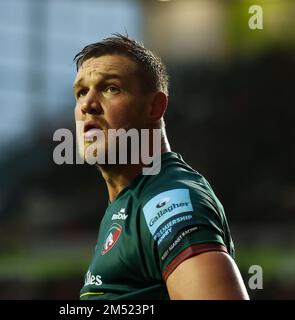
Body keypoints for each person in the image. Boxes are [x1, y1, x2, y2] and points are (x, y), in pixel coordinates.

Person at [72, 34, 249, 300]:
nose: (87, 104)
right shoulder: (130, 199)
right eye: (81, 92)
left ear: (155, 106)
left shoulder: (170, 202)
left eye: (110, 88)